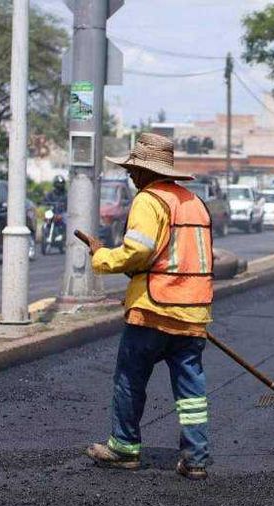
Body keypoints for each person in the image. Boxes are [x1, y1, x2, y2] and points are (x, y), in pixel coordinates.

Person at [83, 133, 214, 480]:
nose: (130, 176)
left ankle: (124, 448)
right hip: (193, 311)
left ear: (144, 172)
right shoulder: (194, 202)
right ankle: (196, 458)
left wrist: (101, 256)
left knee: (130, 377)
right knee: (191, 390)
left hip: (153, 311)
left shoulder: (148, 201)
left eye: (132, 170)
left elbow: (138, 252)